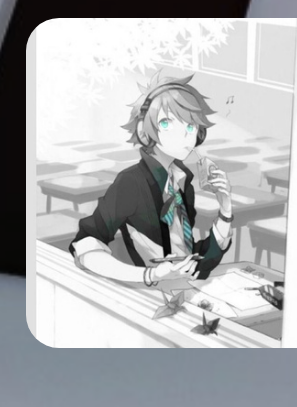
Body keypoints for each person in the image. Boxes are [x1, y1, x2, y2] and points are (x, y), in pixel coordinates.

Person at [68, 74, 236, 289]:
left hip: (181, 289)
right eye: (167, 123)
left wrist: (225, 210)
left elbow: (196, 260)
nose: (185, 135)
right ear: (144, 131)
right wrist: (151, 274)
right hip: (146, 292)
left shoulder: (182, 182)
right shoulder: (131, 182)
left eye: (191, 126)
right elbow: (85, 245)